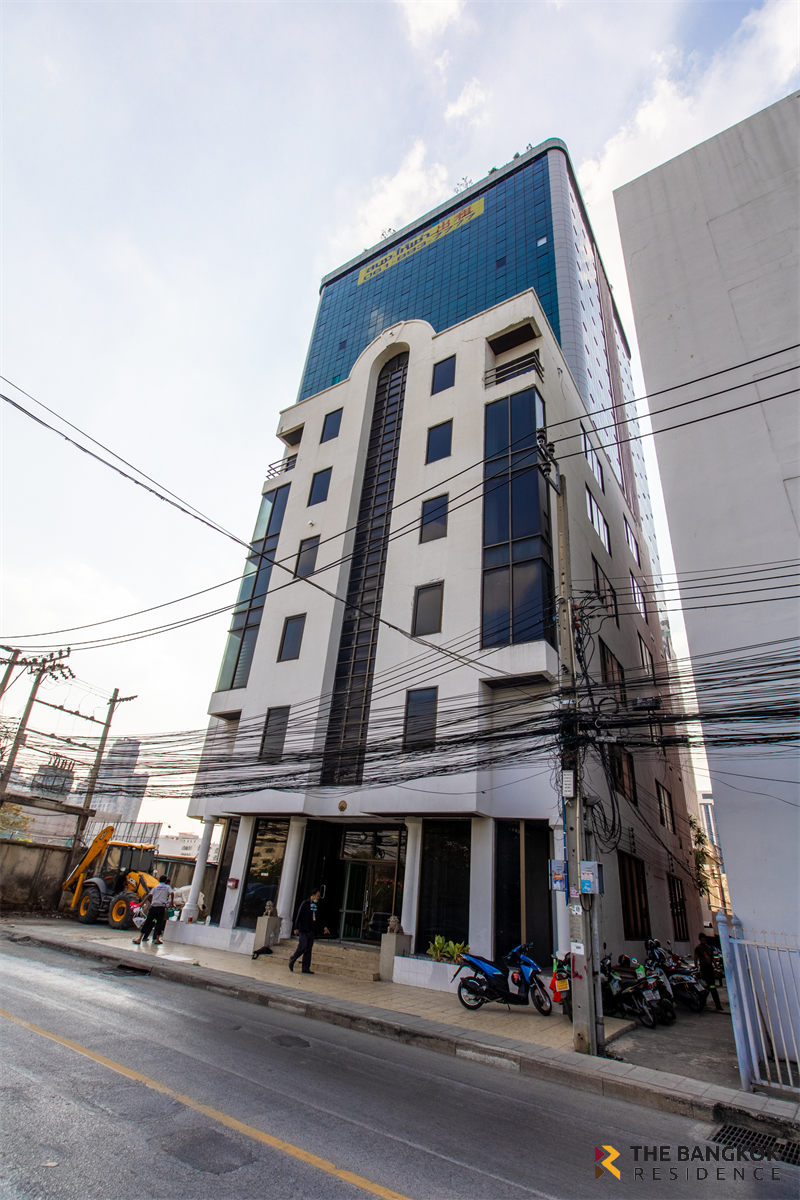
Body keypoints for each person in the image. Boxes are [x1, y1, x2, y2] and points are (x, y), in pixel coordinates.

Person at [288, 887, 330, 974]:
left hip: (312, 930)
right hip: (304, 929)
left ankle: (306, 968)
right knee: (303, 946)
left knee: (308, 949)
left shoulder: (317, 906)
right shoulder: (305, 904)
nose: (318, 898)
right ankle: (293, 958)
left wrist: (324, 927)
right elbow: (299, 915)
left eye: (319, 897)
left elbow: (320, 916)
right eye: (317, 896)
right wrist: (296, 928)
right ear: (313, 895)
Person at [133, 876, 174, 946]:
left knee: (147, 922)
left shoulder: (155, 887)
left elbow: (149, 895)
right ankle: (157, 939)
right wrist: (172, 902)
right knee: (159, 923)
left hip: (153, 907)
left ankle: (139, 939)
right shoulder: (167, 887)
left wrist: (142, 902)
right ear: (165, 881)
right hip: (161, 907)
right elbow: (172, 893)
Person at [695, 932, 723, 1011]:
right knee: (707, 987)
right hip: (704, 969)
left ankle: (717, 1005)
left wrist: (716, 967)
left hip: (710, 969)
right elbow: (695, 958)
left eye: (705, 940)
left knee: (711, 987)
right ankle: (704, 1002)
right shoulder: (698, 948)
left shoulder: (709, 948)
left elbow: (712, 958)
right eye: (702, 940)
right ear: (699, 940)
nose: (704, 942)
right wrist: (697, 968)